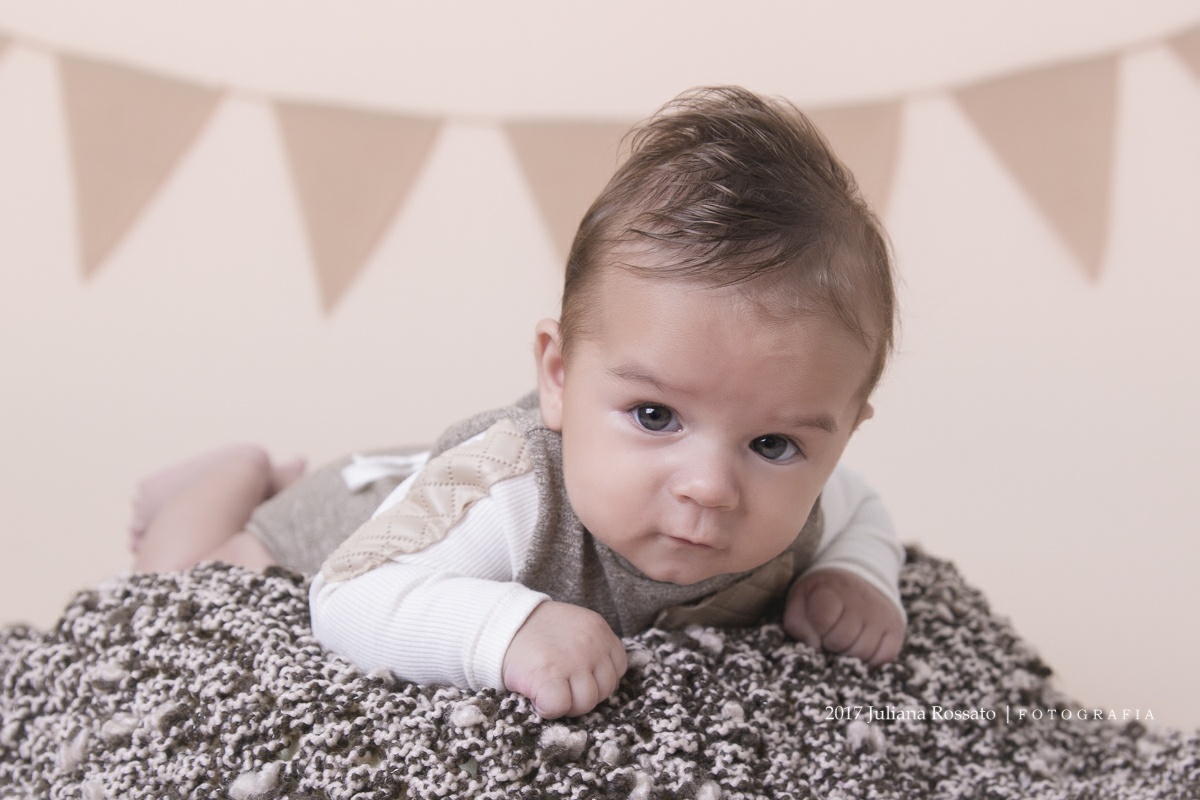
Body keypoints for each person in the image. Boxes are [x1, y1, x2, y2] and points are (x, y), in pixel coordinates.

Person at [131, 86, 907, 721]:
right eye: (654, 416)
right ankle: (240, 471)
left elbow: (863, 509)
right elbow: (348, 594)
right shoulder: (512, 495)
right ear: (560, 376)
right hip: (346, 515)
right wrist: (507, 627)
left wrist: (856, 576)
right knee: (181, 578)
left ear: (838, 438)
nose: (708, 485)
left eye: (773, 445)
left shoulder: (812, 504)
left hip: (413, 474)